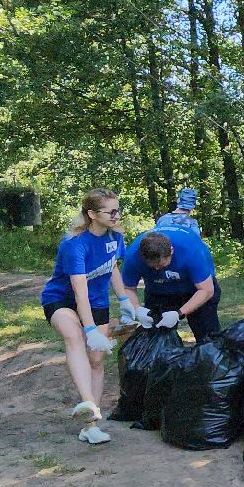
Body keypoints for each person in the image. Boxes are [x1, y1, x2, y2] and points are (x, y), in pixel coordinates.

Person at [38, 188, 143, 445]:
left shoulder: (115, 236)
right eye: (111, 211)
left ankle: (90, 427)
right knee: (74, 337)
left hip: (96, 302)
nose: (117, 215)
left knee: (96, 360)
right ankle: (88, 404)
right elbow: (79, 292)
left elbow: (112, 267)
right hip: (62, 299)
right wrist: (90, 330)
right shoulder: (75, 244)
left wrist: (124, 301)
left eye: (118, 210)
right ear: (92, 214)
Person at [122, 224, 220, 340]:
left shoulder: (191, 251)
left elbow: (206, 290)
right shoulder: (132, 256)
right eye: (152, 266)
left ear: (171, 251)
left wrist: (179, 313)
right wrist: (137, 309)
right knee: (156, 335)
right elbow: (127, 288)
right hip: (158, 290)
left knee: (207, 335)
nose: (157, 269)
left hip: (195, 289)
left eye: (161, 265)